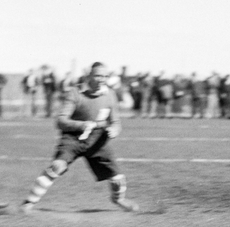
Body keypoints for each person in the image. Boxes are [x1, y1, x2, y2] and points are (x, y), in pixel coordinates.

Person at [12, 62, 137, 214]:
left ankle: (119, 199)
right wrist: (82, 125)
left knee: (117, 179)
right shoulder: (75, 93)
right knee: (57, 166)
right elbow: (61, 121)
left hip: (98, 142)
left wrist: (114, 130)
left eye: (105, 76)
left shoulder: (109, 94)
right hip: (73, 139)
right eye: (98, 75)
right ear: (89, 76)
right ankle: (28, 203)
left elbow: (116, 121)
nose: (101, 79)